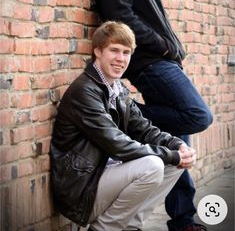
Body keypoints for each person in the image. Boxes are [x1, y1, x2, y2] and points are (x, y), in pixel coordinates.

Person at [94, 0, 213, 231]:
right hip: (149, 61)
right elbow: (120, 14)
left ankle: (183, 218)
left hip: (160, 58)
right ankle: (123, 112)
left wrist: (173, 45)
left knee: (178, 134)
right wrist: (163, 45)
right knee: (198, 115)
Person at [50, 21, 197, 231]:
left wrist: (177, 145)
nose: (121, 58)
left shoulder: (117, 89)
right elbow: (118, 144)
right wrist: (170, 154)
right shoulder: (85, 91)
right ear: (98, 52)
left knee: (176, 163)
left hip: (106, 177)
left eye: (126, 52)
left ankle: (131, 227)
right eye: (114, 50)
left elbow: (144, 129)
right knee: (154, 165)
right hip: (82, 189)